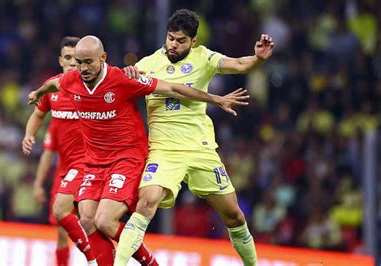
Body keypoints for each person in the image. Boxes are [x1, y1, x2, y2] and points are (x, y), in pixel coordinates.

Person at [28, 35, 250, 265]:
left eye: (89, 62)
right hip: (94, 162)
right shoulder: (70, 80)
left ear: (103, 58)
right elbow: (52, 84)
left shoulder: (121, 80)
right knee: (86, 220)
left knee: (104, 220)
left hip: (127, 158)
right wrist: (38, 93)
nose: (82, 68)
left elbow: (173, 88)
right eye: (79, 62)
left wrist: (215, 99)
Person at [115, 9, 274, 266]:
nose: (173, 45)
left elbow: (240, 64)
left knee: (234, 216)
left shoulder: (205, 58)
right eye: (170, 38)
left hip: (200, 149)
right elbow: (117, 85)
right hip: (164, 151)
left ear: (193, 41)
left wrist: (258, 59)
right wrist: (127, 75)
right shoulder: (147, 64)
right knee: (146, 202)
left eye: (180, 40)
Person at [22, 36, 99, 266]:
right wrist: (28, 135)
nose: (72, 64)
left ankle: (97, 258)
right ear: (60, 60)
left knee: (87, 219)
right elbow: (40, 124)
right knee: (61, 227)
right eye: (68, 58)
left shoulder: (90, 89)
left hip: (88, 165)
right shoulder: (53, 92)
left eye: (76, 59)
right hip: (64, 171)